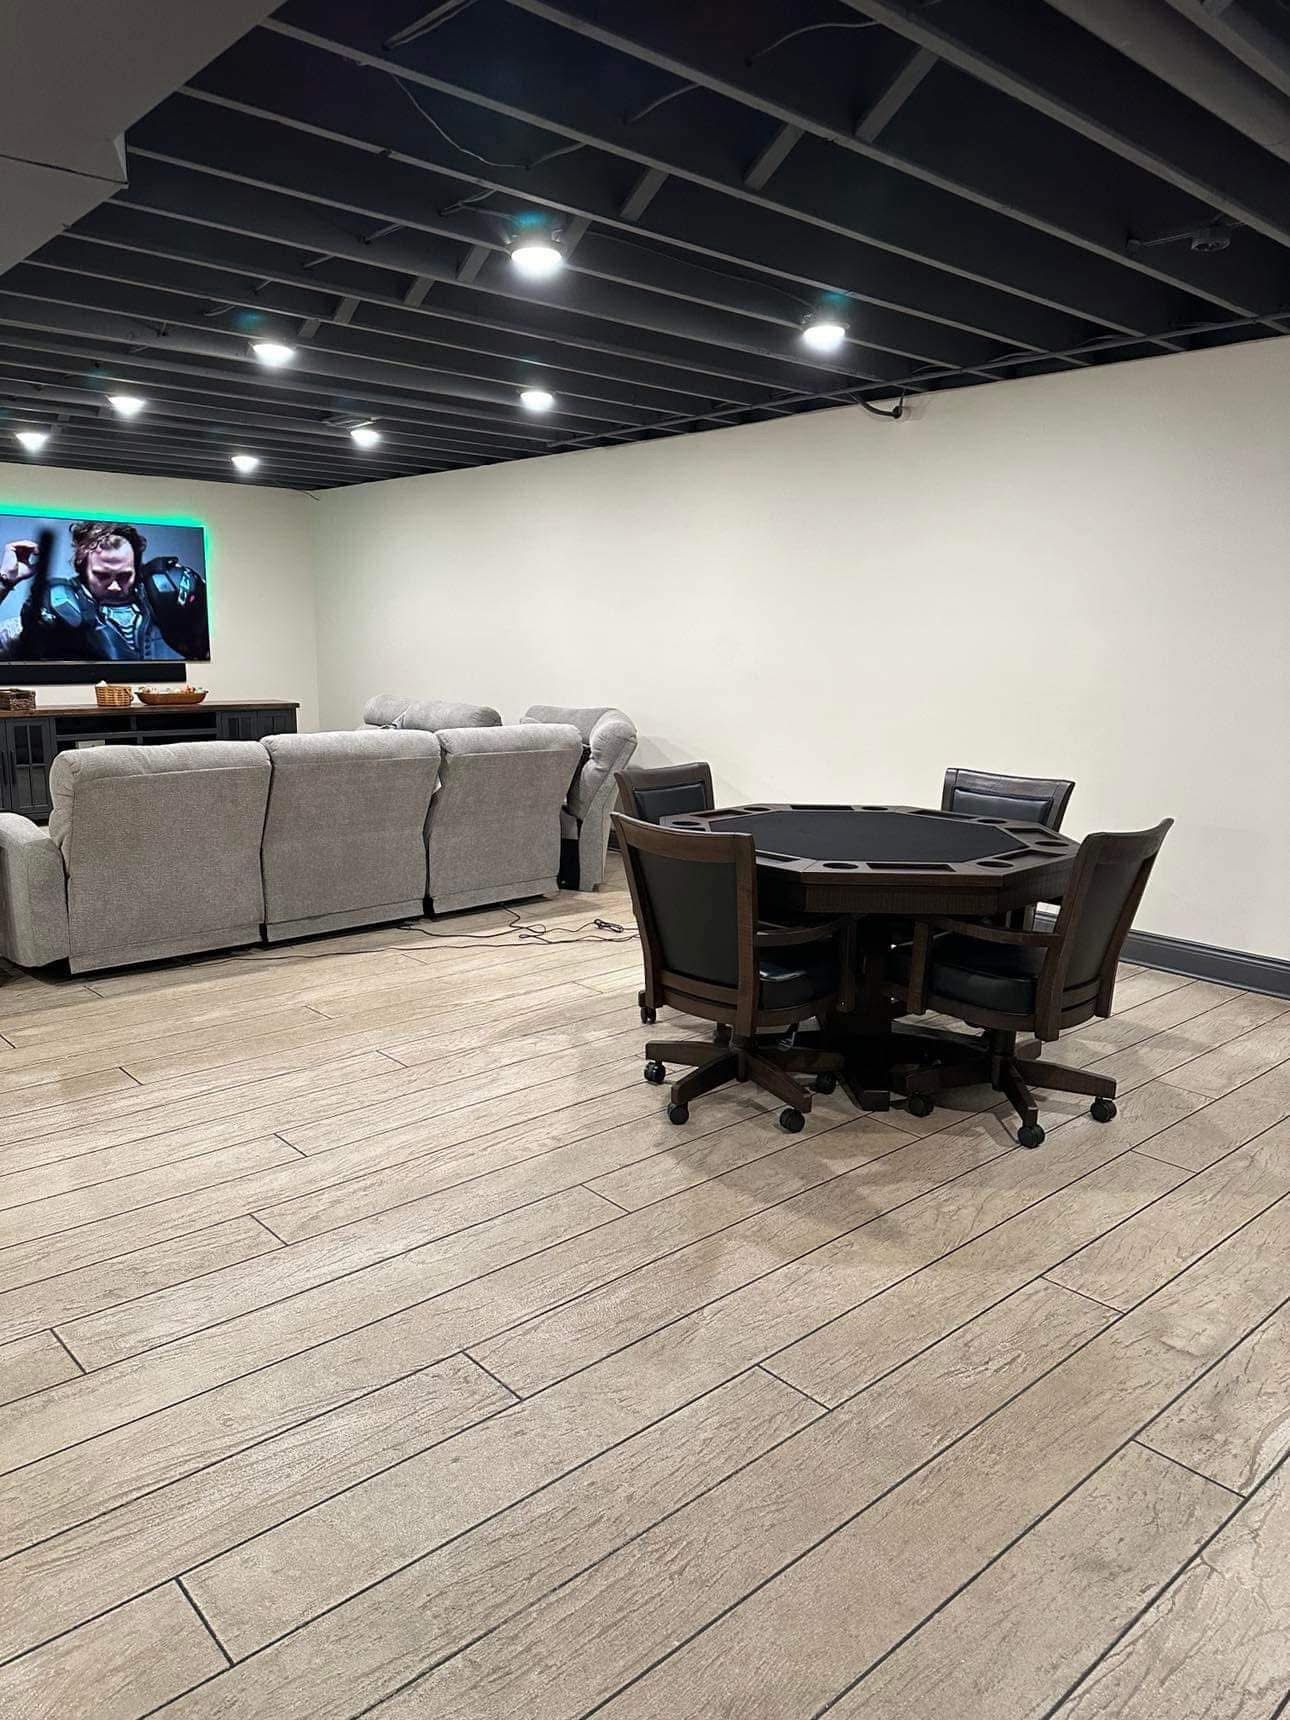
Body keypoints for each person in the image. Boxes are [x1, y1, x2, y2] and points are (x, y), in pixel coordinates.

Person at [0, 519, 208, 661]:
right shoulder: (59, 607)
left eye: (124, 576)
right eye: (102, 576)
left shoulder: (168, 599)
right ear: (82, 567)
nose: (115, 586)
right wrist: (5, 581)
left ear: (137, 568)